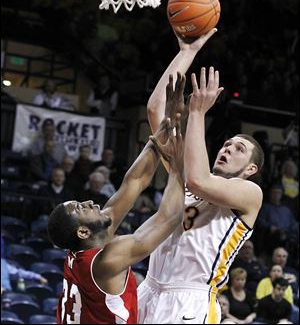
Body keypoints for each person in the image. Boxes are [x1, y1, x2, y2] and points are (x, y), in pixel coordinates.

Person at [138, 32, 264, 324]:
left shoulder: (249, 194)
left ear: (250, 169)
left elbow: (198, 181)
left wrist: (197, 111)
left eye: (239, 149)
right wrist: (188, 51)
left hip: (190, 300)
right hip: (150, 287)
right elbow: (155, 111)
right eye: (228, 144)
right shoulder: (190, 175)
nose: (228, 148)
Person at [47, 74, 186, 324]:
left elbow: (135, 182)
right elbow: (170, 218)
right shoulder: (105, 261)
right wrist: (177, 167)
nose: (89, 202)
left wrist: (167, 127)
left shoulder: (88, 245)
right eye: (81, 207)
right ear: (82, 231)